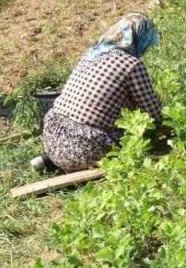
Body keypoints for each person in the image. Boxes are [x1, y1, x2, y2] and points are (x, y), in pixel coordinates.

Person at [42, 14, 163, 173]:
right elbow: (153, 113)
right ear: (140, 39)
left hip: (52, 137)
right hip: (86, 144)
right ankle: (79, 161)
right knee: (138, 134)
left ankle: (53, 161)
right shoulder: (131, 64)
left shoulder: (93, 54)